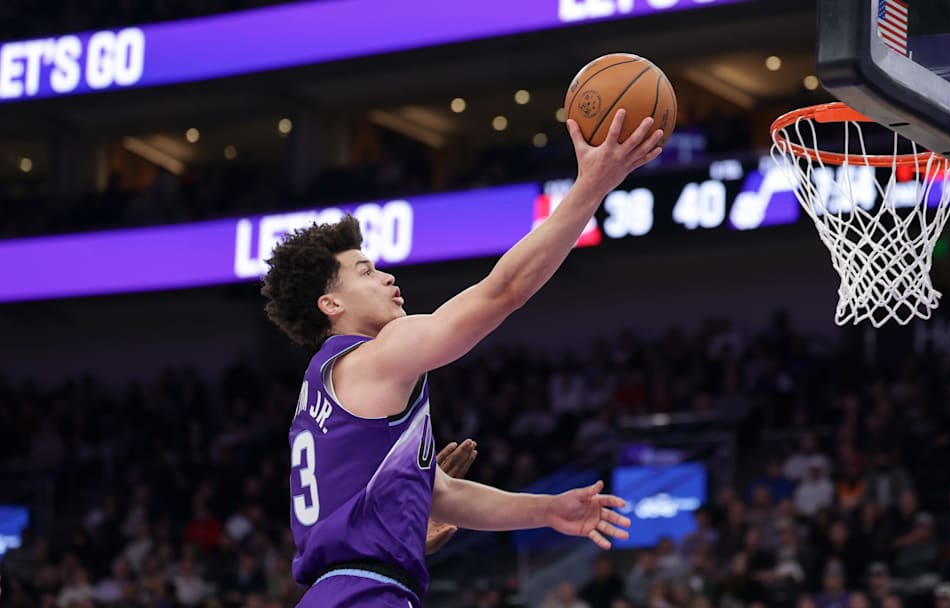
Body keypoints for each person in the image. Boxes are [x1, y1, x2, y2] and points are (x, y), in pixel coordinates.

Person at [261, 110, 665, 608]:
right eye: (366, 272)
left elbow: (443, 497)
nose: (386, 278)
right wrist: (590, 188)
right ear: (331, 305)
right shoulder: (377, 355)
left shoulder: (327, 384)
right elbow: (504, 291)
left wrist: (549, 510)